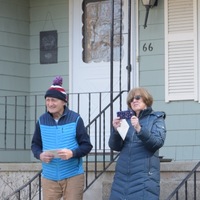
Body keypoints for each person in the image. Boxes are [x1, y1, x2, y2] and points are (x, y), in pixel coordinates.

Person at [31, 76, 93, 200]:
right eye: (47, 100)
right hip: (49, 177)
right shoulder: (41, 120)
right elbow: (35, 145)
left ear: (64, 102)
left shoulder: (75, 119)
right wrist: (40, 155)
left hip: (73, 176)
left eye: (53, 100)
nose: (49, 104)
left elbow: (87, 146)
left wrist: (72, 153)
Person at [108, 87, 166, 200]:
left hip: (144, 178)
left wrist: (139, 129)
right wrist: (115, 130)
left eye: (137, 97)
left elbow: (157, 142)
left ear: (146, 99)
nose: (134, 101)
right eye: (131, 99)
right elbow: (115, 146)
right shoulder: (126, 120)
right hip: (122, 178)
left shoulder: (156, 118)